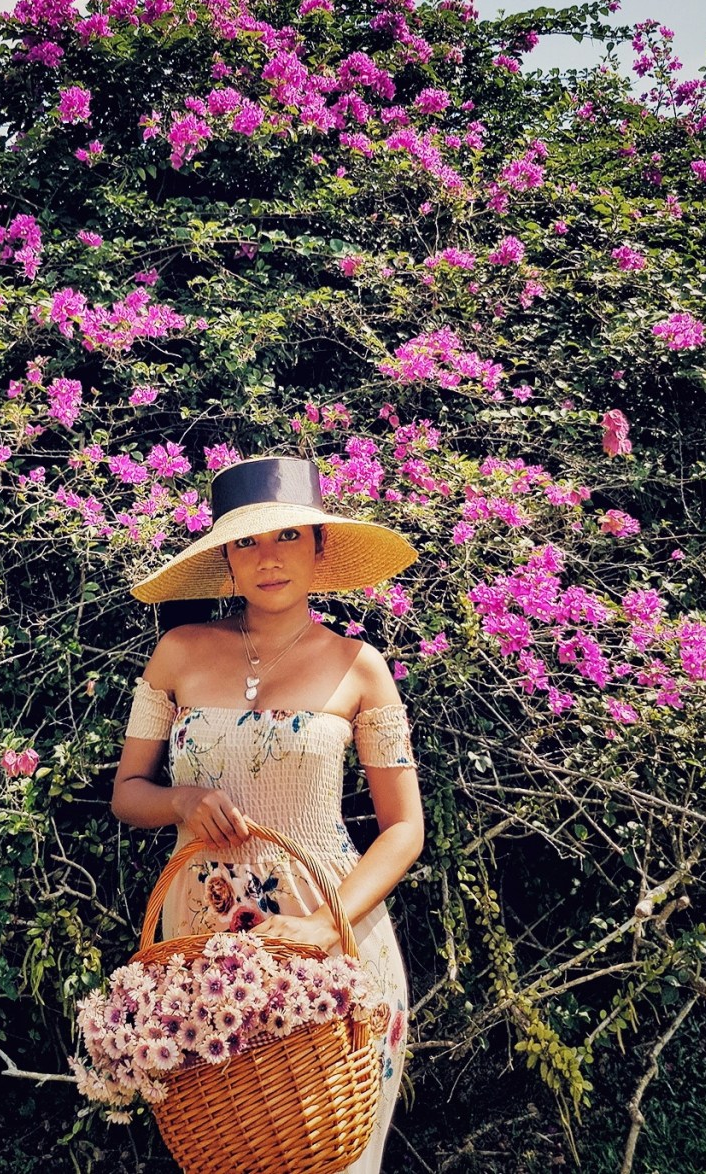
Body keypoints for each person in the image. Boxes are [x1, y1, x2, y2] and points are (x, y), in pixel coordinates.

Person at [112, 455, 425, 1173]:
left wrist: (323, 926)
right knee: (227, 1144)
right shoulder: (179, 653)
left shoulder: (360, 666)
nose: (268, 559)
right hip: (201, 941)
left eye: (287, 537)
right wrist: (179, 801)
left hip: (332, 930)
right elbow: (128, 791)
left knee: (331, 1150)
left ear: (319, 550)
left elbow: (404, 828)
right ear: (225, 557)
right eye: (247, 542)